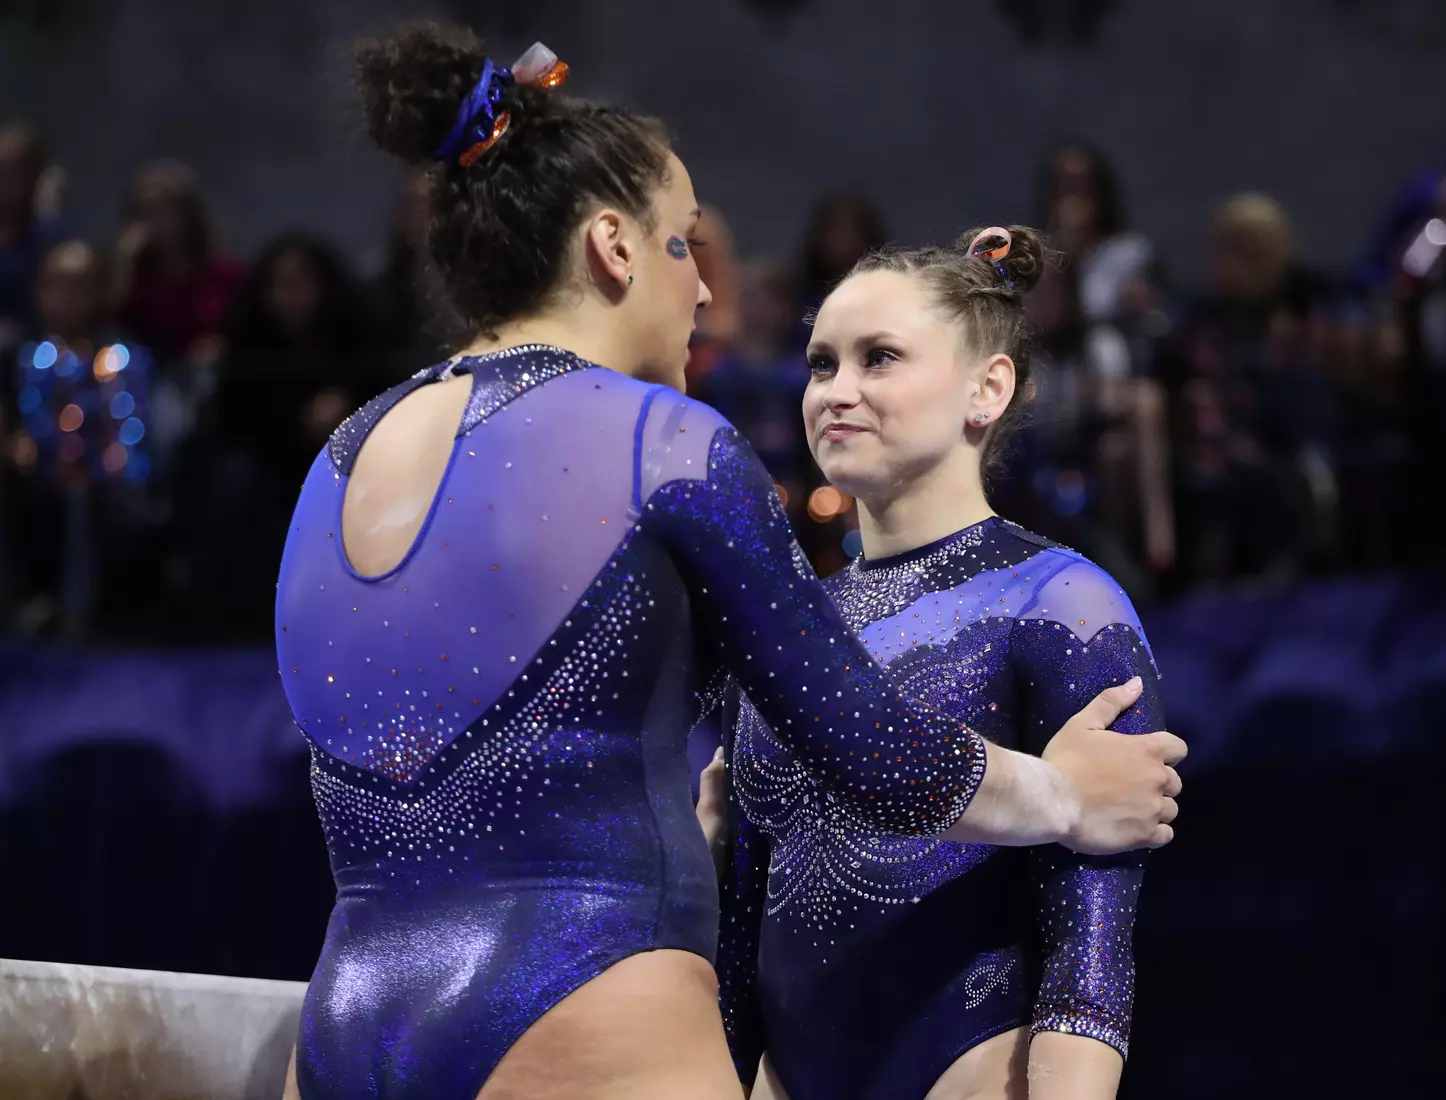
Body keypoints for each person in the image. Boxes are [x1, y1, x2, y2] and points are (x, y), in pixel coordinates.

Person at [274, 24, 1183, 1100]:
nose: (704, 293)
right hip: (583, 1007)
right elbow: (878, 754)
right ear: (613, 245)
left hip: (345, 1014)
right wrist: (1064, 794)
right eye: (681, 247)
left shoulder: (341, 455)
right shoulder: (658, 439)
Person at [714, 227, 1163, 1100]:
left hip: (971, 1073)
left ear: (986, 389)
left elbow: (1094, 940)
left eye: (878, 358)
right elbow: (739, 935)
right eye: (820, 364)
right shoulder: (789, 631)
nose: (836, 392)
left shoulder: (1060, 605)